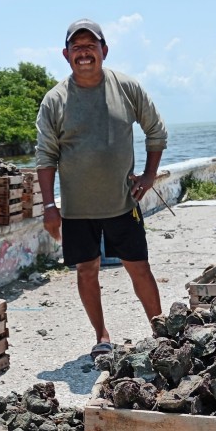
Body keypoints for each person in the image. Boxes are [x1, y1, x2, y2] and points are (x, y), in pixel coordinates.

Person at [35, 18, 167, 360]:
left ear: (103, 50)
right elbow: (46, 156)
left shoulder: (127, 87)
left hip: (123, 202)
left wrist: (149, 176)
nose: (84, 53)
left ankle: (162, 331)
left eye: (90, 46)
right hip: (77, 210)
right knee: (86, 270)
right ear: (66, 55)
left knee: (139, 267)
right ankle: (101, 335)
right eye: (76, 47)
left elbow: (156, 131)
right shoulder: (54, 100)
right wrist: (50, 207)